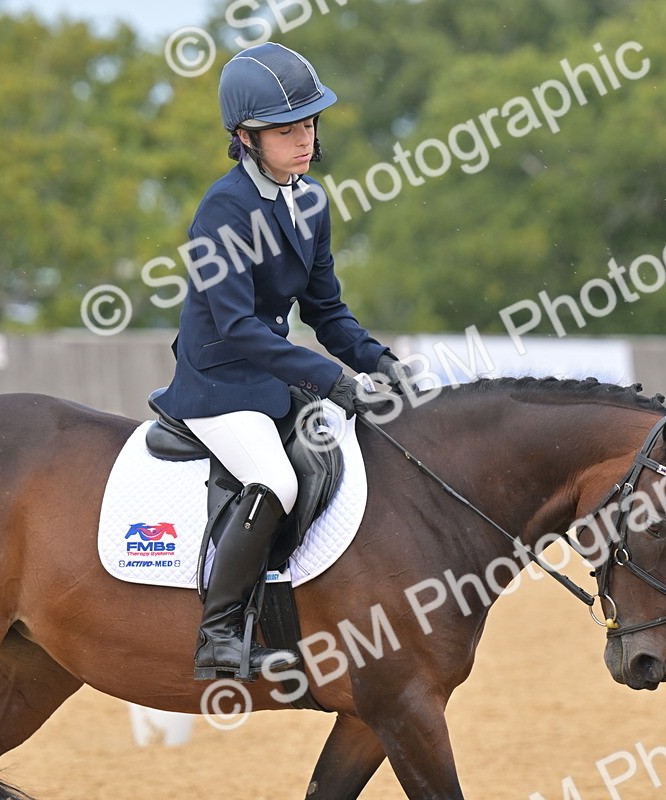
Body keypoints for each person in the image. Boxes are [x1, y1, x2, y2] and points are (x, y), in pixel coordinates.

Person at [153, 42, 410, 682]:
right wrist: (331, 378)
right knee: (278, 479)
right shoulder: (224, 208)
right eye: (287, 130)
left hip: (270, 375)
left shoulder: (311, 201)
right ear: (245, 137)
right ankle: (218, 636)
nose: (304, 139)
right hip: (217, 378)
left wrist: (380, 362)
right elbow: (237, 326)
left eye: (309, 124)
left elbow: (325, 310)